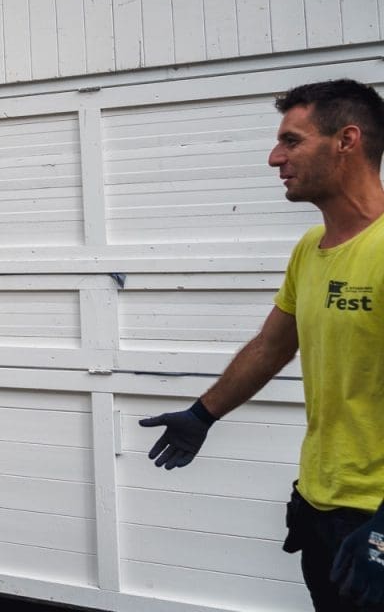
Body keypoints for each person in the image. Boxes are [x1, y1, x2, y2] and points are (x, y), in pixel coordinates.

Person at [140, 79, 384, 611]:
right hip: (320, 505)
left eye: (291, 141)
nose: (275, 158)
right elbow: (271, 346)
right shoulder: (311, 248)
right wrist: (203, 413)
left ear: (346, 140)